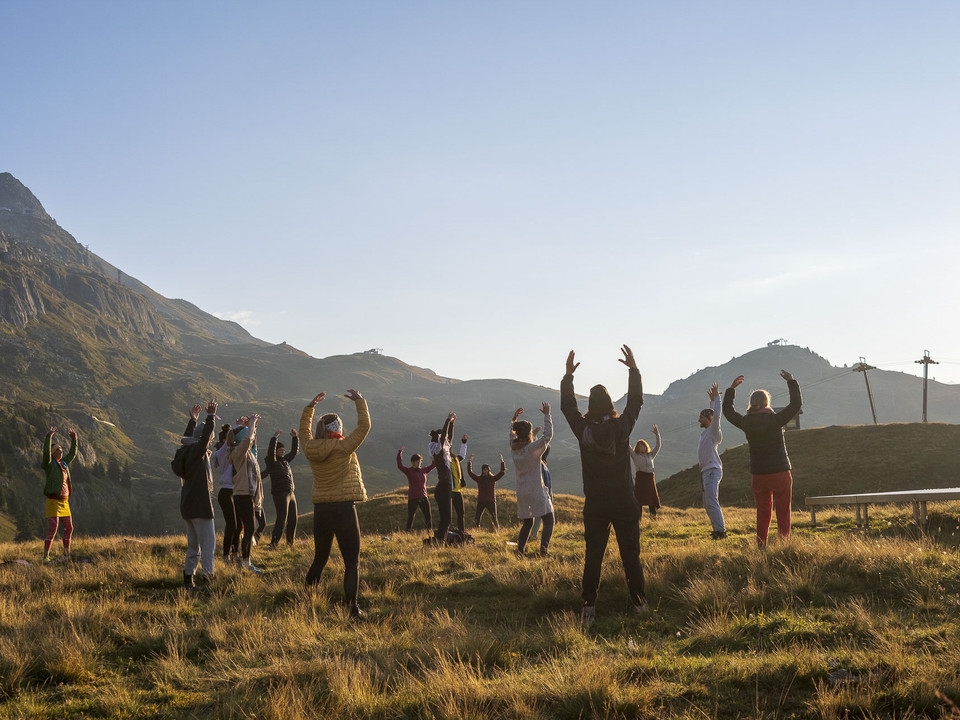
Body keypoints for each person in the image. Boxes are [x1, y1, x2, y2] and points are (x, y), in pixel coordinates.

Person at [560, 346, 647, 628]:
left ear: (591, 407)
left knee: (593, 555)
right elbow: (635, 402)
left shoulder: (582, 429)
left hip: (596, 503)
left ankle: (589, 607)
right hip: (624, 500)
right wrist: (633, 370)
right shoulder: (622, 428)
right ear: (611, 404)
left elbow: (567, 408)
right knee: (630, 554)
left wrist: (568, 377)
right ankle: (639, 603)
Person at [301, 390, 370, 618]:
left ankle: (307, 605)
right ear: (338, 429)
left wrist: (309, 408)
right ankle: (352, 609)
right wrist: (359, 401)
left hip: (322, 510)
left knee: (319, 559)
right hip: (344, 509)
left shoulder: (311, 448)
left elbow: (303, 433)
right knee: (351, 563)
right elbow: (363, 428)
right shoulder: (343, 447)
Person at [722, 371, 803, 547]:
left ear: (751, 404)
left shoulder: (746, 422)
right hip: (780, 471)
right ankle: (783, 544)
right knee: (783, 511)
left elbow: (728, 412)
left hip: (759, 474)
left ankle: (761, 545)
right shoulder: (776, 420)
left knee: (763, 511)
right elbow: (796, 404)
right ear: (767, 403)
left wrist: (731, 389)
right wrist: (791, 381)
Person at [175, 401, 218, 588]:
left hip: (188, 504)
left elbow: (188, 438)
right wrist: (210, 417)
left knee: (193, 546)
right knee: (208, 545)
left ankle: (188, 579)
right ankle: (207, 579)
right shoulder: (198, 452)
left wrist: (192, 421)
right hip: (200, 504)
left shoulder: (185, 451)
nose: (210, 442)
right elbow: (204, 438)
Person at [509, 403, 554, 556]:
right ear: (528, 433)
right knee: (549, 519)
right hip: (535, 489)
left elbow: (511, 436)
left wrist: (513, 421)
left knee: (528, 522)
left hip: (522, 492)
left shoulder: (513, 448)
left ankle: (520, 551)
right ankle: (543, 550)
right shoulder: (532, 448)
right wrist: (547, 415)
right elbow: (547, 436)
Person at [228, 414, 265, 573]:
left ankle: (244, 561)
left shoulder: (247, 455)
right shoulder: (237, 453)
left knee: (249, 528)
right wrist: (250, 425)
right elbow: (248, 440)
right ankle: (246, 563)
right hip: (243, 495)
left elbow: (252, 443)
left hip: (246, 495)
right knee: (249, 529)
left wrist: (253, 426)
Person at [40, 425, 79, 563]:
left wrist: (74, 439)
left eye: (61, 450)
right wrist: (48, 437)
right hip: (53, 501)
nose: (61, 452)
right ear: (52, 453)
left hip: (64, 502)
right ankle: (46, 557)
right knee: (53, 528)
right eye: (58, 450)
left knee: (69, 527)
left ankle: (66, 554)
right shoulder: (49, 464)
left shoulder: (64, 464)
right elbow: (45, 454)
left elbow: (73, 454)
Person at [262, 429, 300, 550]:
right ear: (276, 452)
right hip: (280, 493)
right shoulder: (272, 462)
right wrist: (274, 438)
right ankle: (274, 543)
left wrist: (295, 438)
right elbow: (270, 452)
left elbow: (294, 452)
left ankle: (290, 543)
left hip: (290, 492)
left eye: (283, 451)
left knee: (293, 519)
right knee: (282, 518)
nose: (283, 453)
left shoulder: (285, 460)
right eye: (280, 451)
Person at [698, 385, 726, 539]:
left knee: (711, 501)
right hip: (705, 472)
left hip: (712, 470)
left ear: (708, 419)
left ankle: (720, 532)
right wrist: (712, 402)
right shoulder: (705, 433)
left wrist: (716, 399)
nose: (699, 419)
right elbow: (713, 416)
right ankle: (717, 529)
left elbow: (717, 417)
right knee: (707, 504)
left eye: (701, 417)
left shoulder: (713, 432)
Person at [212, 424, 240, 562]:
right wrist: (236, 427)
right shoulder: (222, 453)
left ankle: (235, 554)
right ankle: (226, 556)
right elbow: (228, 442)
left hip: (235, 492)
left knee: (238, 525)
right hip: (226, 492)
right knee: (232, 524)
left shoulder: (233, 452)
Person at [428, 413, 456, 543]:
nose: (447, 441)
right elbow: (445, 436)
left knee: (446, 519)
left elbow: (449, 437)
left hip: (444, 488)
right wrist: (447, 421)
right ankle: (440, 542)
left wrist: (452, 423)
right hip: (444, 488)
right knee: (447, 519)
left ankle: (440, 542)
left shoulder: (440, 453)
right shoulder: (439, 452)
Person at [396, 448, 434, 531]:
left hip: (423, 496)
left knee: (428, 515)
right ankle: (408, 531)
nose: (419, 462)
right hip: (413, 497)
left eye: (420, 461)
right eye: (418, 461)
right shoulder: (409, 471)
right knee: (411, 516)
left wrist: (434, 457)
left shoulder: (424, 470)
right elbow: (400, 465)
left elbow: (432, 466)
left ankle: (430, 532)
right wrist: (400, 453)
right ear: (413, 462)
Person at [629, 425, 661, 521]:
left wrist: (657, 434)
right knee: (639, 500)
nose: (641, 447)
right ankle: (638, 520)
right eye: (639, 446)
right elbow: (628, 446)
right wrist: (626, 433)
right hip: (641, 479)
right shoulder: (635, 456)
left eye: (643, 445)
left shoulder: (650, 455)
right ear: (637, 448)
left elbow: (658, 446)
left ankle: (653, 518)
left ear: (645, 446)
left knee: (652, 500)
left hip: (650, 479)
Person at [467, 454, 506, 529]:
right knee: (477, 518)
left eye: (487, 469)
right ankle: (476, 530)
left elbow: (502, 472)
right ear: (482, 470)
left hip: (491, 501)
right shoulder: (479, 479)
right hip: (481, 501)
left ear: (489, 470)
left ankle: (497, 530)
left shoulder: (493, 478)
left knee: (494, 518)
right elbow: (470, 472)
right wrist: (469, 462)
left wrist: (502, 462)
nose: (485, 470)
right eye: (484, 469)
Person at [529, 446, 554, 541]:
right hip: (542, 494)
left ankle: (534, 535)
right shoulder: (539, 464)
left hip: (547, 493)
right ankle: (533, 535)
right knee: (539, 516)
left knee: (543, 517)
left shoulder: (543, 462)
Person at [449, 434, 469, 533]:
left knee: (461, 513)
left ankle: (461, 532)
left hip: (457, 490)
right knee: (448, 515)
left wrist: (464, 442)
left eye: (450, 446)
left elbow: (462, 455)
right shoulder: (445, 461)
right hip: (449, 491)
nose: (449, 448)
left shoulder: (455, 459)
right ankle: (446, 533)